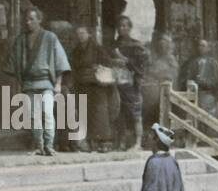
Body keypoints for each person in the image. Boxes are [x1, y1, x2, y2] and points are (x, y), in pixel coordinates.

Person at [7, 7, 70, 156]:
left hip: (46, 83)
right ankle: (39, 146)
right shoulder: (21, 40)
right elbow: (13, 63)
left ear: (39, 20)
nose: (28, 22)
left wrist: (58, 83)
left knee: (47, 114)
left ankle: (49, 145)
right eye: (26, 19)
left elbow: (60, 61)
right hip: (29, 83)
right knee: (34, 116)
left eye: (32, 19)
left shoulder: (50, 37)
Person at [68, 24, 113, 153]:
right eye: (78, 34)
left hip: (96, 85)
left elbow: (108, 63)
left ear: (89, 34)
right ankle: (89, 143)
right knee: (85, 113)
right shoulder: (76, 51)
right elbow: (74, 67)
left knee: (99, 114)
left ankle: (104, 142)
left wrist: (98, 66)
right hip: (82, 85)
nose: (80, 36)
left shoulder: (97, 48)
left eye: (83, 33)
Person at [112, 15, 148, 150]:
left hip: (132, 85)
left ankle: (138, 142)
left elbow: (142, 65)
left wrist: (125, 59)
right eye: (120, 26)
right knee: (119, 114)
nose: (122, 28)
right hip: (117, 83)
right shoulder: (114, 45)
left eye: (125, 26)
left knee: (136, 113)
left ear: (130, 28)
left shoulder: (136, 45)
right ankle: (121, 142)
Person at [179, 37, 218, 119]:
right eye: (199, 46)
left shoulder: (213, 63)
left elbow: (217, 80)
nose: (201, 48)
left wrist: (205, 83)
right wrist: (191, 83)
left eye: (203, 46)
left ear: (208, 48)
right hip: (195, 93)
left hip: (209, 94)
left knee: (208, 117)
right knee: (195, 116)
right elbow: (188, 78)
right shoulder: (192, 62)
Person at [145, 32, 179, 126]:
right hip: (155, 89)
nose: (162, 47)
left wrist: (160, 75)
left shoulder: (171, 59)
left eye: (164, 45)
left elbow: (173, 74)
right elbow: (150, 71)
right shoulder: (156, 59)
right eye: (160, 45)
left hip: (166, 89)